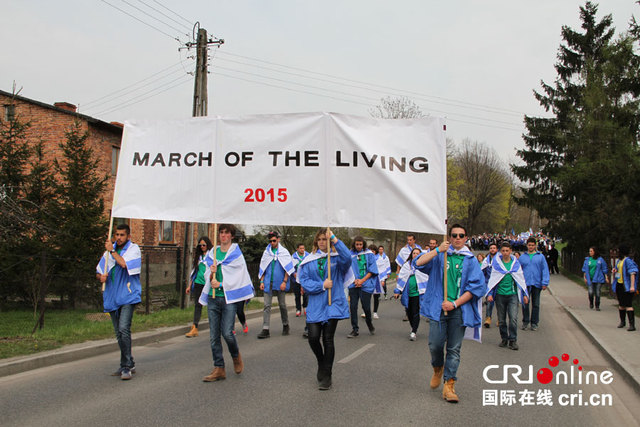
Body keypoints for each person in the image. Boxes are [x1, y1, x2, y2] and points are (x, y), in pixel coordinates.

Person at [414, 224, 486, 403]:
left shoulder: (470, 260)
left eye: (461, 235)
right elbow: (418, 263)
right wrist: (437, 249)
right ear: (450, 237)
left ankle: (449, 385)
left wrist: (454, 303)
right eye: (454, 235)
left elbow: (477, 287)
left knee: (454, 349)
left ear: (466, 237)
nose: (458, 238)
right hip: (438, 310)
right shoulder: (441, 255)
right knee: (435, 345)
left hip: (458, 310)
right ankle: (438, 368)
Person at [298, 228, 354, 390]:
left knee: (328, 339)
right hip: (316, 304)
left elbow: (347, 258)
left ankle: (327, 375)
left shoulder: (337, 259)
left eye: (325, 239)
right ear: (316, 242)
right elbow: (305, 281)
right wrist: (321, 285)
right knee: (313, 338)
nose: (322, 242)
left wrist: (335, 238)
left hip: (333, 303)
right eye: (320, 239)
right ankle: (321, 363)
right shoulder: (309, 260)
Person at [199, 224, 254, 382]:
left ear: (231, 236)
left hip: (229, 298)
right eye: (221, 233)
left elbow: (239, 276)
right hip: (213, 297)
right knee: (213, 336)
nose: (223, 236)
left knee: (227, 333)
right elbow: (208, 275)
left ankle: (236, 356)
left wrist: (222, 285)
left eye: (226, 233)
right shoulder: (213, 252)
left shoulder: (236, 254)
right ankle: (219, 368)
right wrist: (211, 275)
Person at [96, 224, 142, 380]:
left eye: (122, 235)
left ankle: (126, 366)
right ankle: (129, 362)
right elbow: (99, 271)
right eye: (117, 234)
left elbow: (124, 264)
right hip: (112, 297)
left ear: (128, 236)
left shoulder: (133, 249)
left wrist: (112, 250)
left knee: (123, 329)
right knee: (118, 334)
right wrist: (100, 277)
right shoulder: (109, 252)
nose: (119, 237)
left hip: (128, 295)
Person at [485, 242, 529, 350]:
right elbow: (493, 280)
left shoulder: (515, 264)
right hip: (500, 295)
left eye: (507, 251)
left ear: (510, 251)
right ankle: (504, 338)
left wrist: (524, 295)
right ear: (500, 252)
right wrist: (490, 294)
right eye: (503, 251)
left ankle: (513, 340)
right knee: (502, 319)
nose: (505, 253)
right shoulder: (497, 264)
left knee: (513, 318)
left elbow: (521, 280)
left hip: (512, 295)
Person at [257, 231, 295, 339]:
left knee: (282, 305)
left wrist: (285, 281)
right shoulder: (267, 252)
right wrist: (262, 281)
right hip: (268, 282)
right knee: (266, 306)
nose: (272, 243)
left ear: (278, 239)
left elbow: (288, 268)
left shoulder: (284, 252)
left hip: (280, 282)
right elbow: (263, 267)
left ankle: (285, 324)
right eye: (270, 241)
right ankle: (265, 329)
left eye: (274, 240)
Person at [347, 236, 378, 337]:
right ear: (354, 244)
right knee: (353, 306)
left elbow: (372, 270)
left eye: (360, 244)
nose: (359, 246)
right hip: (353, 284)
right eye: (357, 244)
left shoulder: (369, 254)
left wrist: (362, 280)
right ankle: (355, 329)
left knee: (366, 307)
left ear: (363, 244)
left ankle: (369, 323)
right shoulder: (350, 254)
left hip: (365, 284)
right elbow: (347, 269)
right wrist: (355, 280)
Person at [394, 247, 427, 341]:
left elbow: (426, 279)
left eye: (417, 253)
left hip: (418, 293)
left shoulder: (424, 266)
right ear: (411, 255)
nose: (415, 255)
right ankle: (413, 327)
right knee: (409, 312)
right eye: (414, 253)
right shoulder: (406, 266)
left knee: (415, 312)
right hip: (408, 293)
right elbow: (401, 279)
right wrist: (397, 291)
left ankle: (414, 331)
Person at [520, 237, 550, 331]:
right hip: (526, 284)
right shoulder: (522, 257)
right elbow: (518, 270)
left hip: (537, 283)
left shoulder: (540, 257)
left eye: (533, 245)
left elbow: (545, 270)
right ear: (527, 245)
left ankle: (534, 323)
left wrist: (545, 282)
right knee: (525, 303)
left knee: (536, 304)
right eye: (529, 245)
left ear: (535, 246)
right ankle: (525, 321)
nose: (531, 247)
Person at [185, 236, 213, 338]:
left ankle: (215, 326)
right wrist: (189, 285)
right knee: (198, 305)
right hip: (198, 283)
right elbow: (194, 271)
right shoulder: (199, 257)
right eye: (200, 245)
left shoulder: (212, 255)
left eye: (204, 245)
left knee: (211, 305)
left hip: (208, 284)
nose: (202, 247)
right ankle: (194, 327)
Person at [612, 244, 638, 331]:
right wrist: (614, 270)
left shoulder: (628, 261)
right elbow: (617, 270)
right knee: (621, 304)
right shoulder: (619, 261)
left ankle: (632, 325)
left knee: (628, 304)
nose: (617, 253)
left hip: (626, 286)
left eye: (618, 251)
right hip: (619, 284)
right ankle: (622, 322)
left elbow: (633, 273)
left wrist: (632, 286)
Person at [481, 243, 499, 328]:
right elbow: (482, 273)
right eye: (491, 248)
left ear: (497, 250)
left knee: (499, 303)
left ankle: (500, 319)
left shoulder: (500, 259)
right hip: (489, 284)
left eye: (494, 248)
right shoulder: (486, 261)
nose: (492, 249)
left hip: (498, 284)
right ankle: (488, 318)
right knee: (489, 302)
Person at [291, 243, 309, 318]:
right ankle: (298, 309)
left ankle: (305, 307)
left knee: (306, 294)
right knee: (297, 295)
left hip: (305, 278)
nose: (302, 250)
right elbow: (291, 267)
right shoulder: (294, 256)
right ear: (297, 249)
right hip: (296, 279)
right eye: (300, 248)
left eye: (303, 248)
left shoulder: (308, 255)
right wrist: (294, 274)